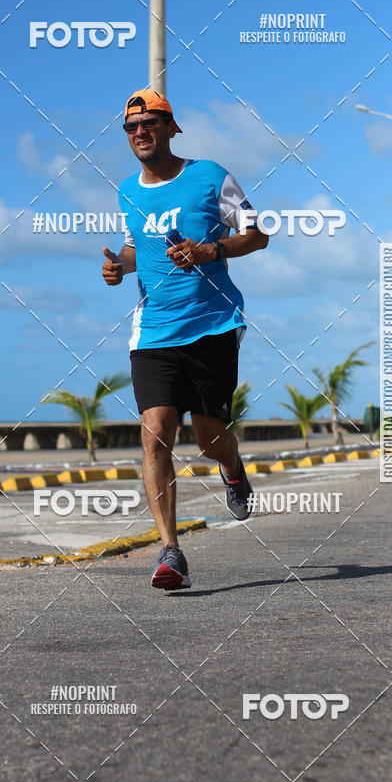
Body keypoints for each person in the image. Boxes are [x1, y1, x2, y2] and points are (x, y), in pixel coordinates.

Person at [101, 88, 268, 589]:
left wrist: (209, 249)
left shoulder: (210, 175)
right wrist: (118, 267)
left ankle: (233, 468)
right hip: (153, 331)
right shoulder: (127, 191)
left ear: (172, 128)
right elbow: (137, 250)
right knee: (155, 433)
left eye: (150, 123)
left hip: (212, 324)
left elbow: (258, 234)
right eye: (131, 126)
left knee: (209, 436)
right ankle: (170, 551)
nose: (140, 132)